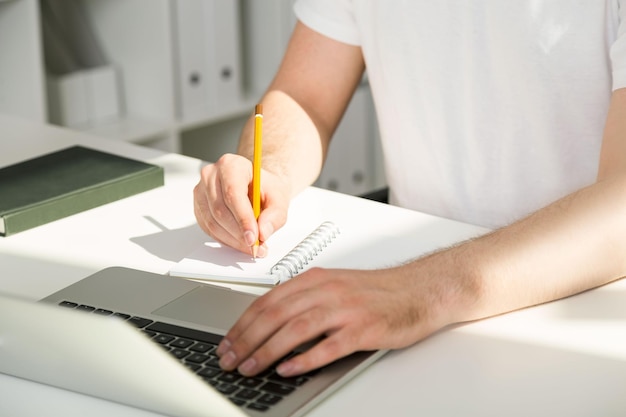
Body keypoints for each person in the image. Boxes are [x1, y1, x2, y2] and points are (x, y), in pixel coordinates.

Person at [193, 1, 626, 378]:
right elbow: (304, 94)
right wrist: (270, 168)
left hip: (571, 309)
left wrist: (415, 292)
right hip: (407, 308)